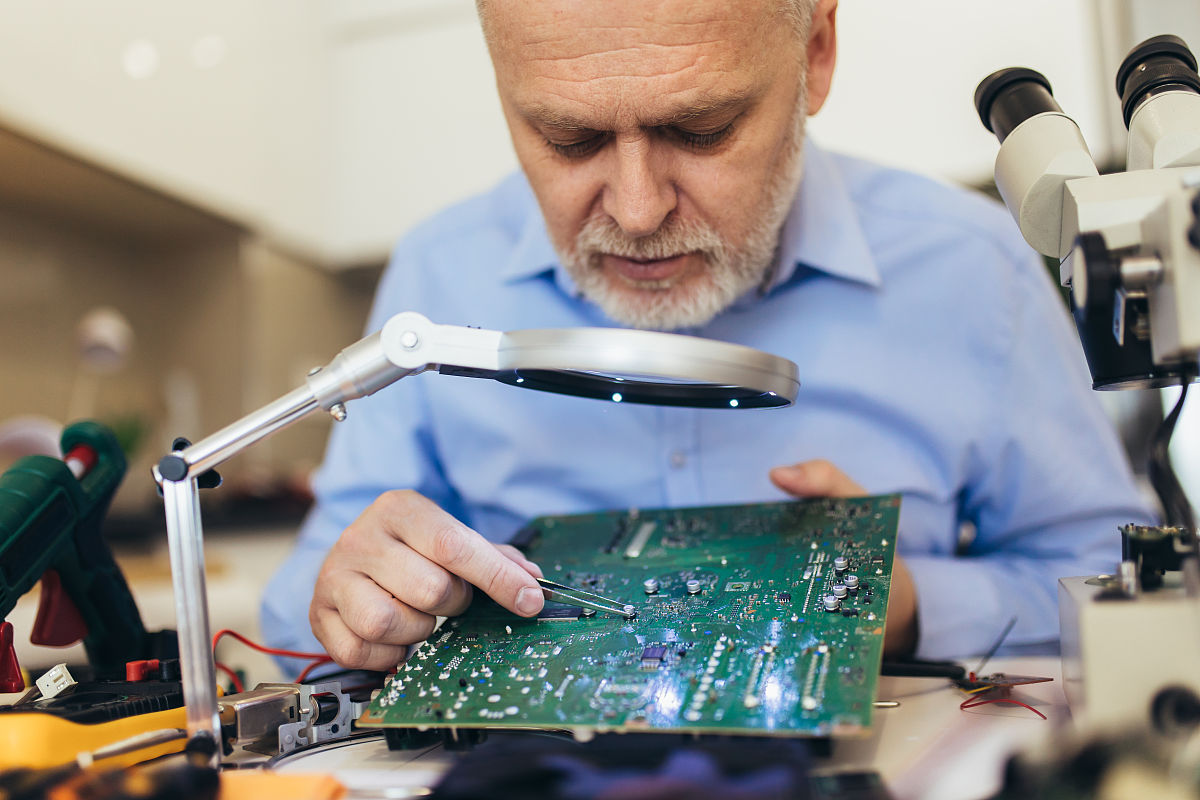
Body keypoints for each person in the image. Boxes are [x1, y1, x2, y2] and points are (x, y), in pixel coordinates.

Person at [261, 0, 1154, 668]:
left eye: (702, 129)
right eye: (568, 139)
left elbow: (1118, 582)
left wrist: (915, 605)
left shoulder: (975, 269)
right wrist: (358, 598)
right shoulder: (437, 279)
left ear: (816, 52)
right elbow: (298, 602)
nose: (637, 211)